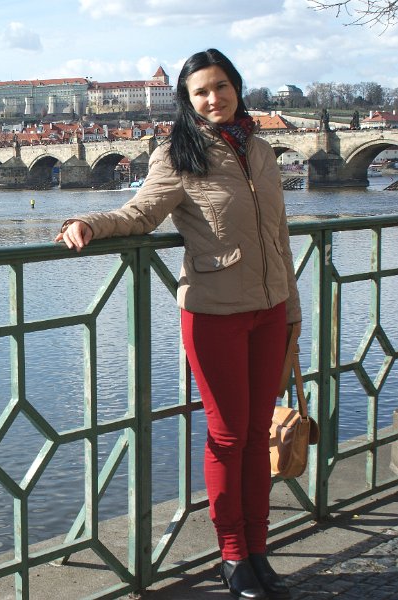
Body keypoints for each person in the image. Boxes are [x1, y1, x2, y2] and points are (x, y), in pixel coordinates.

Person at [56, 48, 300, 600]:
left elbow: (280, 235)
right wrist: (88, 222)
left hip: (270, 311)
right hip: (214, 313)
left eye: (221, 87)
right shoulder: (178, 153)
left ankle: (259, 551)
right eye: (201, 92)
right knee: (229, 436)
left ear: (236, 87)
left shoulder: (261, 149)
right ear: (187, 102)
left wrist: (292, 312)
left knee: (257, 434)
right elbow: (140, 212)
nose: (214, 99)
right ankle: (233, 556)